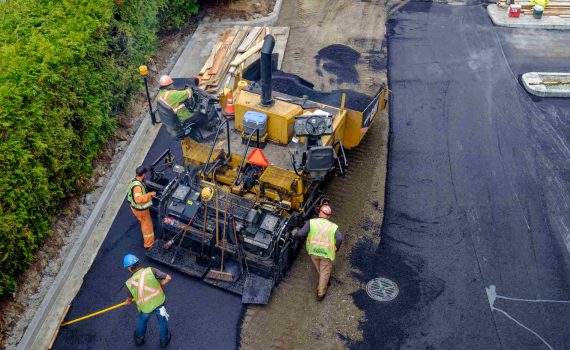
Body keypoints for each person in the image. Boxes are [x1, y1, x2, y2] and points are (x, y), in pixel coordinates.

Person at [295, 204, 343, 301]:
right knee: (324, 272)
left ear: (320, 212)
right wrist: (336, 248)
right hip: (326, 254)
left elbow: (300, 233)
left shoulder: (311, 222)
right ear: (329, 216)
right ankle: (321, 294)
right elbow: (339, 238)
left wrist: (294, 232)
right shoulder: (333, 227)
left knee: (320, 270)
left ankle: (325, 279)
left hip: (313, 252)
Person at [124, 254, 172, 347]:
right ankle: (164, 341)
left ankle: (139, 339)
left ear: (130, 268)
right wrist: (160, 285)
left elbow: (129, 299)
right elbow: (168, 278)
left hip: (146, 308)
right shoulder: (151, 270)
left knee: (142, 321)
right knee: (162, 322)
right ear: (138, 263)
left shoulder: (129, 283)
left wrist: (127, 302)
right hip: (159, 303)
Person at [127, 166, 156, 248]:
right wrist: (150, 195)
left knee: (143, 222)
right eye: (145, 174)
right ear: (143, 174)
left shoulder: (134, 181)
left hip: (134, 208)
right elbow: (138, 199)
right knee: (147, 226)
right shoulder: (138, 187)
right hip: (141, 210)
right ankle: (149, 244)